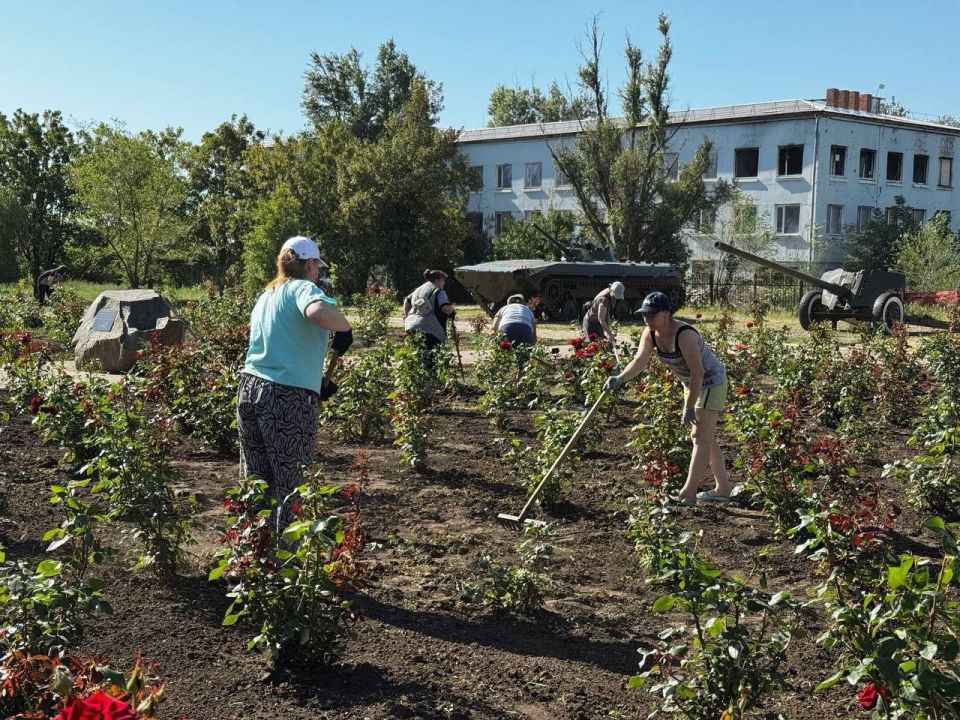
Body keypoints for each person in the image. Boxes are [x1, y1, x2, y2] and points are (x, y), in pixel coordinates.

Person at [237, 236, 351, 532]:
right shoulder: (304, 288)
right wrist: (344, 326)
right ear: (309, 264)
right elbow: (318, 312)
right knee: (291, 480)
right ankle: (289, 555)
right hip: (286, 396)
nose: (318, 272)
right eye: (316, 266)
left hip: (250, 388)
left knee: (256, 477)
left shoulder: (267, 294)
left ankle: (254, 553)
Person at [603, 291, 732, 506]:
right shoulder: (650, 333)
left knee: (700, 436)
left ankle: (688, 494)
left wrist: (689, 407)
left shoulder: (685, 334)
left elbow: (698, 372)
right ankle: (723, 488)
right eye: (645, 314)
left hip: (710, 380)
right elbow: (639, 360)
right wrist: (620, 378)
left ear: (667, 313)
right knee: (704, 437)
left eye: (652, 314)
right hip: (690, 383)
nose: (647, 319)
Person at [403, 269, 456, 350]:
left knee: (417, 356)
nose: (444, 283)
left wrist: (407, 317)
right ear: (437, 280)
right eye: (443, 280)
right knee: (431, 359)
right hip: (430, 330)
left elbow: (406, 301)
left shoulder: (419, 289)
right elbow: (445, 309)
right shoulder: (439, 291)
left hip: (410, 326)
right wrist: (452, 310)